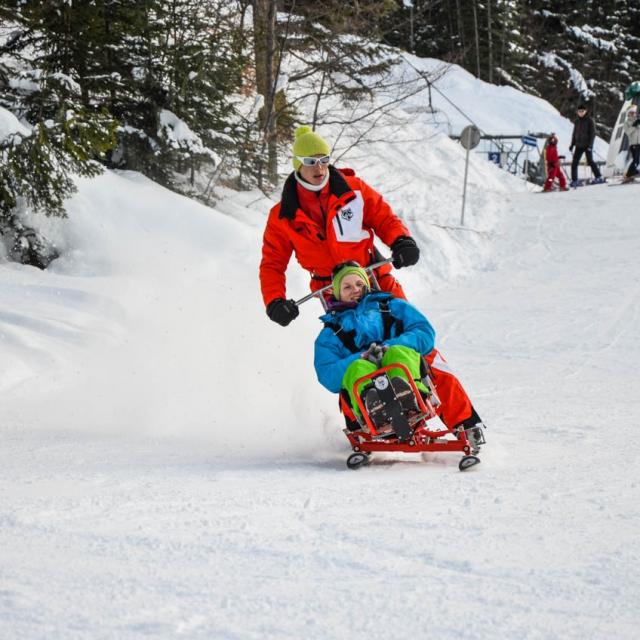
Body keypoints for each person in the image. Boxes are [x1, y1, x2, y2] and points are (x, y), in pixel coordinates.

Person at [260, 125, 420, 327]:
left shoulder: (353, 190)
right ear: (297, 165)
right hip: (333, 292)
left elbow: (384, 218)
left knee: (410, 328)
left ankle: (430, 360)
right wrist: (274, 300)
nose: (319, 168)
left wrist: (401, 240)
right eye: (310, 161)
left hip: (372, 277)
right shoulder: (282, 216)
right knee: (351, 344)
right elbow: (272, 263)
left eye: (324, 160)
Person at [313, 262, 484, 443]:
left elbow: (424, 332)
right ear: (337, 293)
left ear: (368, 284)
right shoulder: (330, 333)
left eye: (359, 284)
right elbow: (327, 374)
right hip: (365, 381)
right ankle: (375, 411)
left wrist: (390, 346)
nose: (354, 289)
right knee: (357, 368)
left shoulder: (392, 306)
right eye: (347, 287)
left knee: (404, 356)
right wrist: (361, 356)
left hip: (403, 368)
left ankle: (416, 403)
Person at [569, 104, 603, 187]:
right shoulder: (577, 121)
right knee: (574, 163)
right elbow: (574, 134)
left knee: (590, 161)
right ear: (577, 112)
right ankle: (574, 180)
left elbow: (593, 134)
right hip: (578, 145)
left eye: (582, 111)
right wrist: (572, 144)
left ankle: (599, 177)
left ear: (585, 111)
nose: (580, 113)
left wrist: (590, 145)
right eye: (579, 111)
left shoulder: (590, 120)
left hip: (587, 145)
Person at [622, 105, 640, 182]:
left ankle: (634, 172)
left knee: (637, 160)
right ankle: (628, 175)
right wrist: (634, 125)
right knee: (635, 160)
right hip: (633, 144)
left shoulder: (638, 120)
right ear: (628, 114)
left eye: (634, 113)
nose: (633, 114)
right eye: (631, 113)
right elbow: (628, 132)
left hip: (639, 143)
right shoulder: (626, 123)